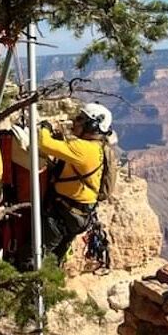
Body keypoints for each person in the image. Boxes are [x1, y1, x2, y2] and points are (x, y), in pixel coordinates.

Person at [37, 102, 114, 263]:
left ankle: (28, 286)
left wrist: (44, 128)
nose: (75, 122)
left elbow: (43, 143)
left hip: (64, 212)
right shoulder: (97, 147)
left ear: (93, 125)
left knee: (34, 256)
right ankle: (46, 285)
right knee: (54, 259)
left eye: (80, 119)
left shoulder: (83, 148)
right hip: (78, 214)